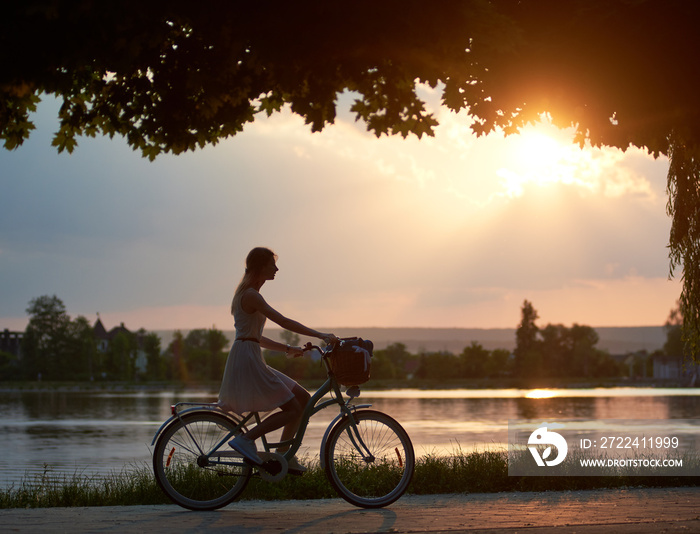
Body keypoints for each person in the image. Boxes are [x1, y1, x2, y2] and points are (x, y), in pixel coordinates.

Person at [219, 247, 336, 474]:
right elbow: (283, 321)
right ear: (261, 267)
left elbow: (255, 337)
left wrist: (288, 348)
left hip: (248, 353)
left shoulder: (248, 293)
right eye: (273, 264)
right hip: (247, 359)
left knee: (302, 398)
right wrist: (320, 335)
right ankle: (246, 439)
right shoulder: (251, 295)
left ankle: (284, 456)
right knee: (292, 409)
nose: (277, 268)